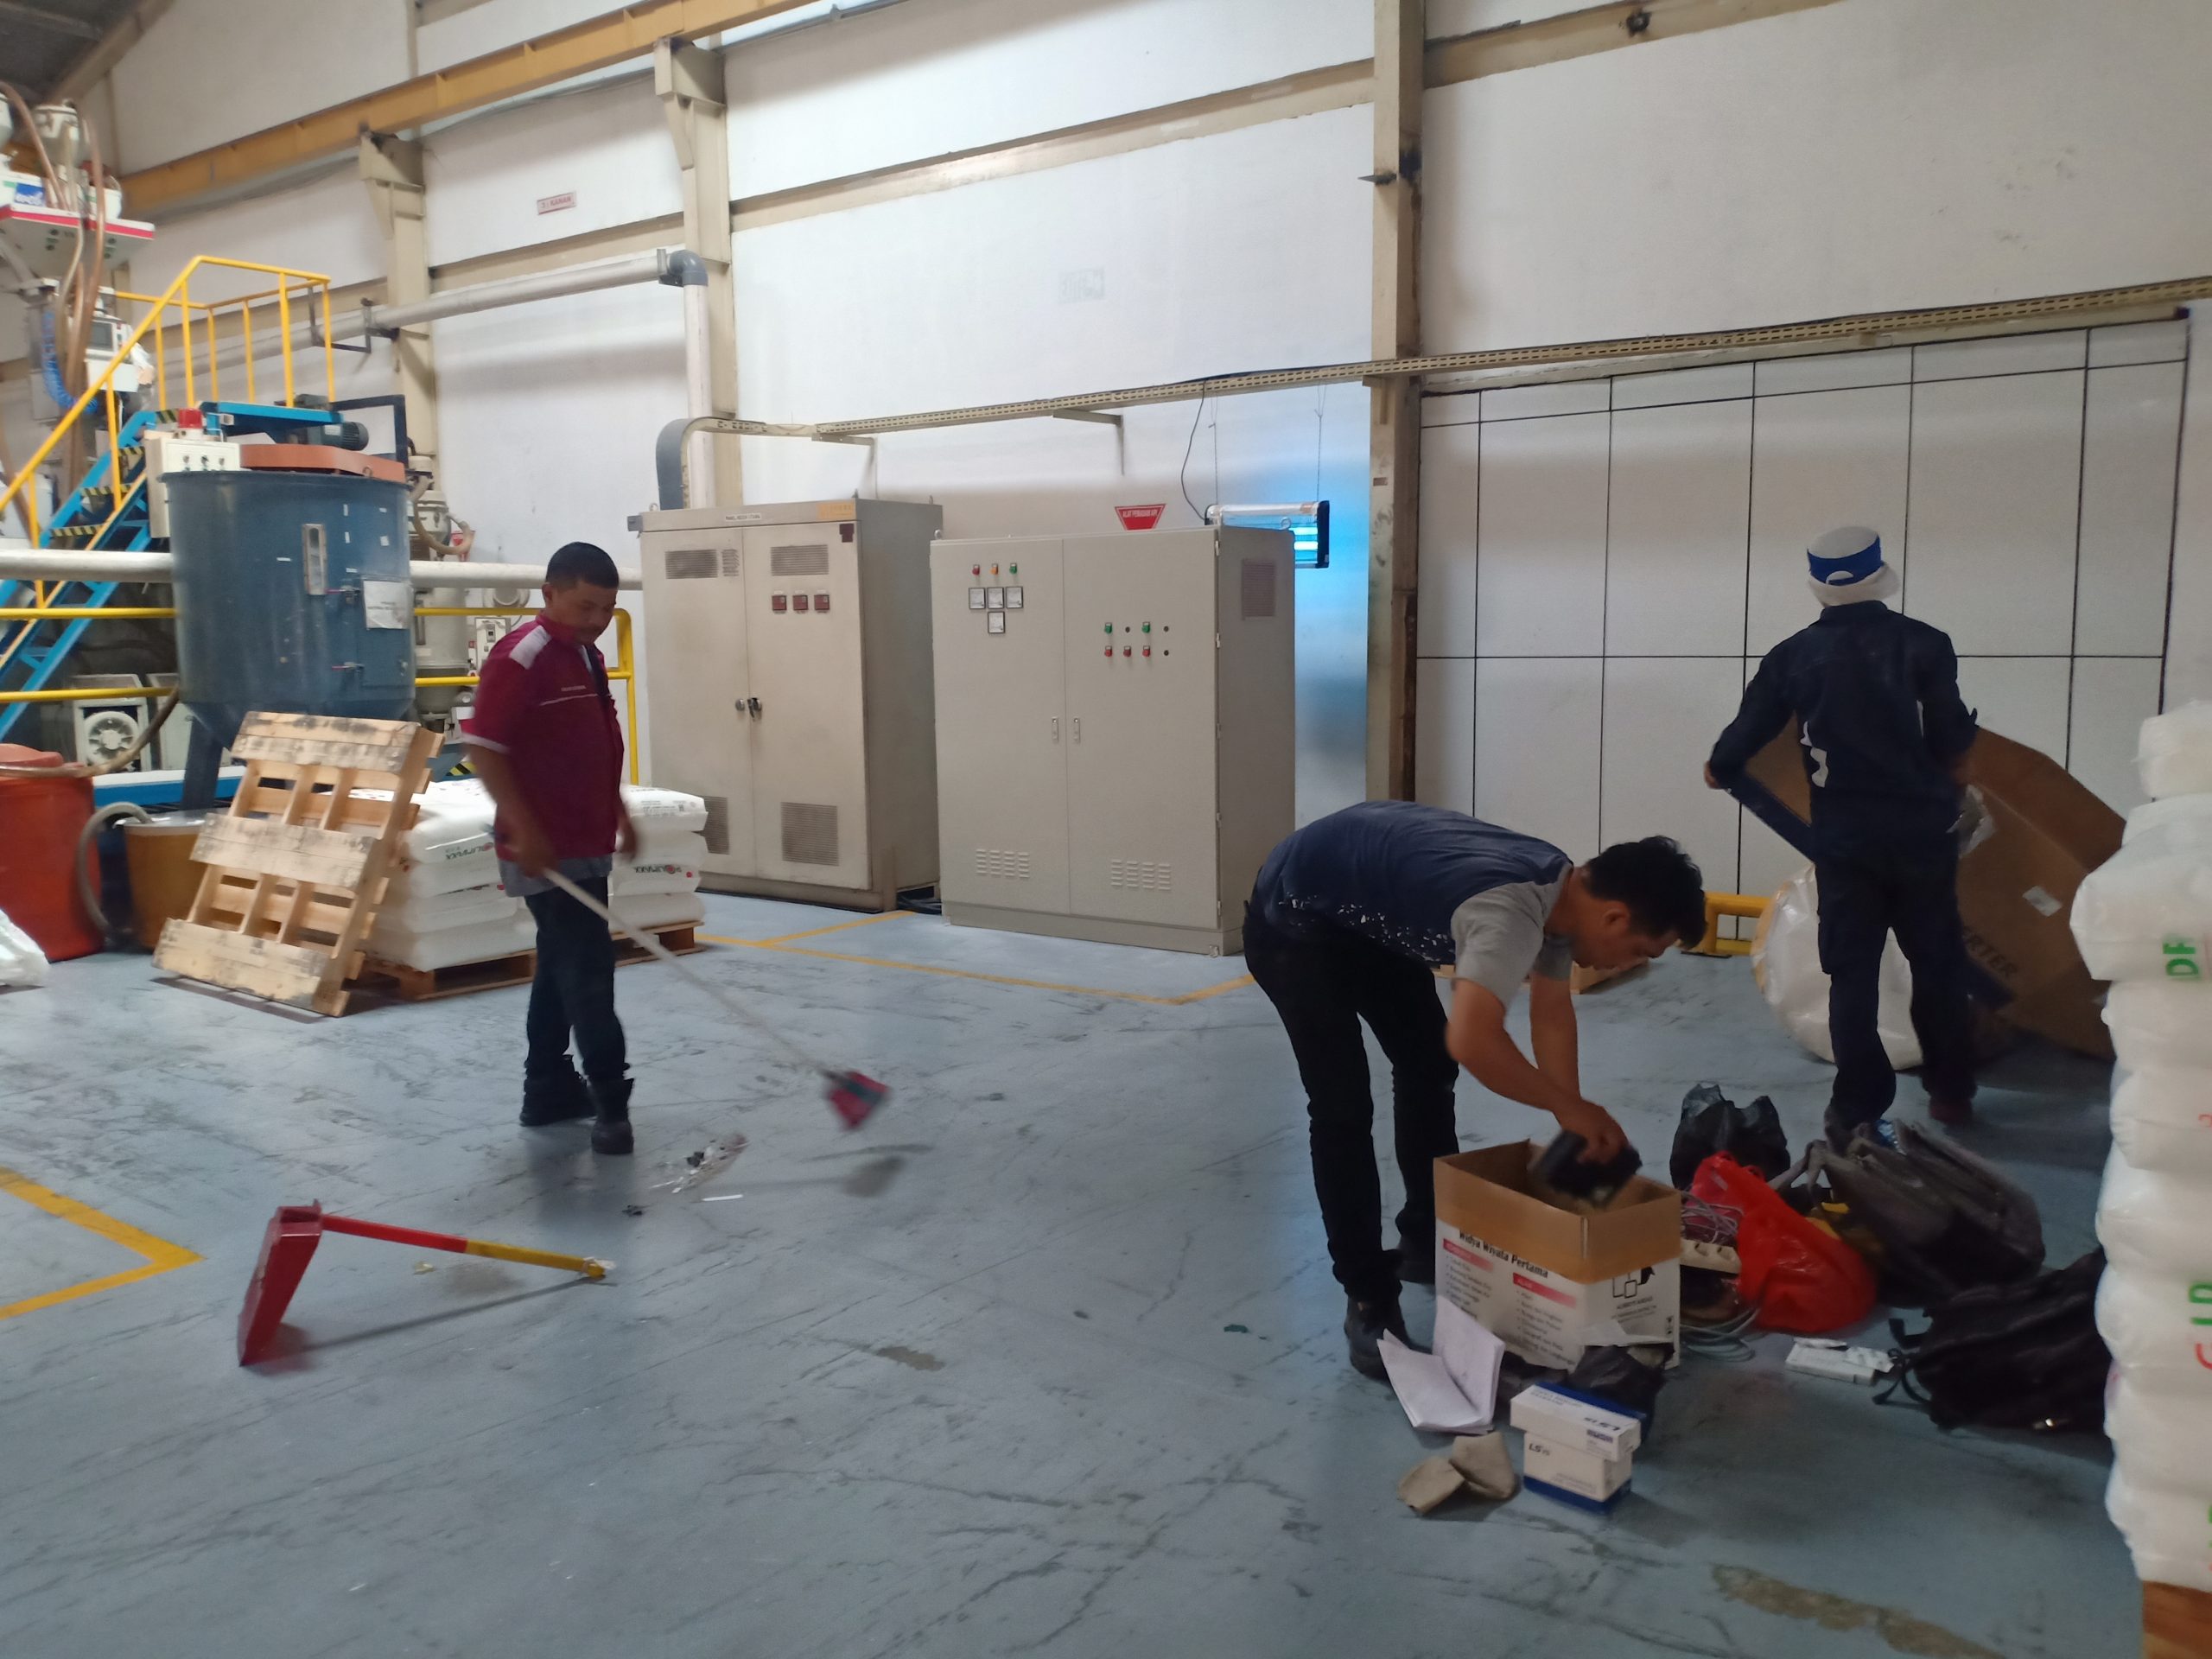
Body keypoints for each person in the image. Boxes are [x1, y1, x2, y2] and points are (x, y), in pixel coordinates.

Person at [1244, 802, 1707, 1379]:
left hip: (1360, 910)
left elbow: (1551, 1013)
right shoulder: (1509, 913)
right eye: (1641, 951)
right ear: (1615, 918)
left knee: (1427, 1064)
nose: (1630, 963)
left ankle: (1424, 1236)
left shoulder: (1561, 897)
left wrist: (1572, 1117)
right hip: (1294, 921)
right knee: (1342, 1104)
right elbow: (1475, 1040)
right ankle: (1367, 1296)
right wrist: (1568, 1106)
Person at [1706, 524, 1980, 1150]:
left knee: (1851, 973)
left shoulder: (1791, 657)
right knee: (1936, 963)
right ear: (1879, 575)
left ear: (1816, 585)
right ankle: (1951, 1090)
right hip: (1921, 836)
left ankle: (1855, 1108)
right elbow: (1952, 740)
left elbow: (1741, 739)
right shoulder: (1926, 644)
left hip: (1845, 842)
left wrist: (1720, 766)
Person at [462, 542, 639, 1154]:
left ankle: (546, 1088)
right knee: (589, 970)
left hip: (587, 837)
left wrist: (620, 812)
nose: (597, 620)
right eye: (586, 606)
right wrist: (525, 827)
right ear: (550, 593)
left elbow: (599, 746)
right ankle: (612, 1107)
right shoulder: (522, 656)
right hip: (544, 850)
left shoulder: (587, 657)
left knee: (561, 962)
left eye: (607, 609)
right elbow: (485, 747)